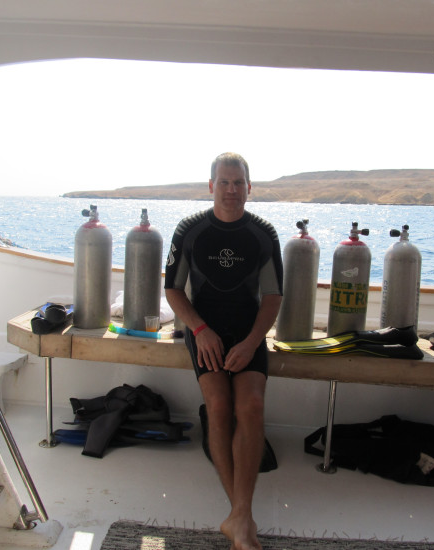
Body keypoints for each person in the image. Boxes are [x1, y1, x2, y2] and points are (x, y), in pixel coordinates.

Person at [164, 152, 283, 550]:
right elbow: (173, 289)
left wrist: (251, 343)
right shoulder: (190, 231)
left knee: (250, 406)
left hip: (249, 331)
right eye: (224, 182)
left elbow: (272, 296)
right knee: (218, 405)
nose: (232, 190)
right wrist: (200, 330)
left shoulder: (263, 234)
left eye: (238, 183)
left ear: (249, 188)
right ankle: (241, 517)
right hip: (205, 329)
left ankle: (239, 517)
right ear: (211, 186)